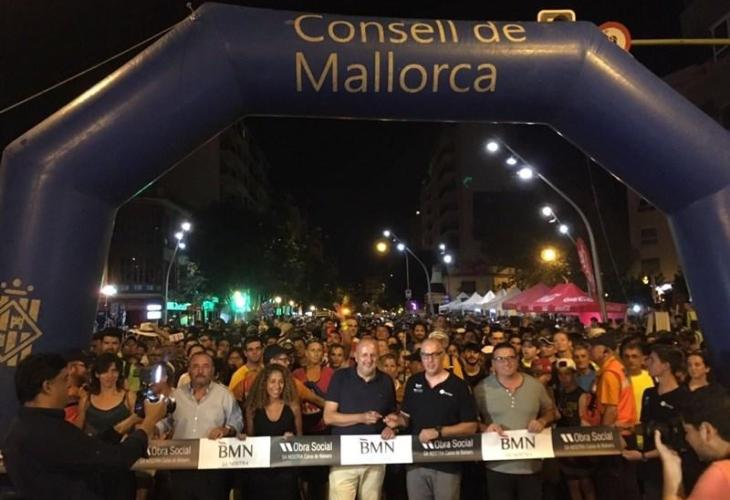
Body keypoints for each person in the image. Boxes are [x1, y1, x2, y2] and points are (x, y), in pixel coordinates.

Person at [3, 353, 166, 500]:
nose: (69, 386)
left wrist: (128, 423)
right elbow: (115, 459)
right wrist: (148, 422)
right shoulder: (49, 431)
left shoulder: (24, 427)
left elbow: (85, 448)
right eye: (64, 379)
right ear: (47, 386)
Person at [384, 338, 478, 500]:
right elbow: (406, 417)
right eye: (425, 355)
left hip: (447, 463)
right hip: (416, 461)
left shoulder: (459, 386)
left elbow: (471, 426)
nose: (430, 360)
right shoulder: (413, 382)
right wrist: (396, 422)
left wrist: (438, 432)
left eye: (435, 355)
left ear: (443, 355)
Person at [474, 342, 556, 500]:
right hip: (497, 466)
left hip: (531, 465)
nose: (506, 363)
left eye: (511, 358)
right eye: (500, 359)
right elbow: (472, 421)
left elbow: (551, 412)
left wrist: (542, 421)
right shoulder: (481, 389)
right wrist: (485, 428)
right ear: (493, 363)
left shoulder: (535, 385)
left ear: (518, 360)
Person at [158, 351, 243, 500]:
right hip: (181, 466)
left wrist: (226, 429)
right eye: (196, 366)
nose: (200, 371)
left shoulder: (224, 395)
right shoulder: (176, 396)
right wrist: (155, 429)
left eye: (205, 366)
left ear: (213, 370)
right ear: (189, 370)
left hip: (213, 468)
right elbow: (165, 421)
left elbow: (237, 422)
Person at [324, 338, 397, 500]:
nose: (368, 360)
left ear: (378, 357)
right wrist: (361, 418)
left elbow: (392, 415)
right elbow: (328, 417)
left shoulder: (386, 381)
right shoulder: (340, 377)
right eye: (364, 355)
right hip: (344, 458)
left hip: (375, 457)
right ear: (355, 357)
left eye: (373, 355)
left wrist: (391, 426)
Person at [588, 332, 640, 500]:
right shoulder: (618, 368)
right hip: (626, 430)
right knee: (627, 484)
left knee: (612, 485)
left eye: (594, 347)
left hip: (616, 434)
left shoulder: (609, 373)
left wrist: (603, 437)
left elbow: (611, 408)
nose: (590, 350)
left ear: (606, 351)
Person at [656, 386, 730, 499]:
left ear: (706, 430)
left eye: (687, 431)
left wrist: (671, 472)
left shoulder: (720, 475)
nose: (686, 438)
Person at [244, 364, 302, 499]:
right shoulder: (252, 408)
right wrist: (242, 439)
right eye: (273, 381)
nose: (277, 386)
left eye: (281, 382)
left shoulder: (293, 407)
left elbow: (301, 439)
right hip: (259, 473)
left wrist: (293, 439)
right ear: (264, 383)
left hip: (286, 472)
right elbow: (251, 439)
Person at [554, 358, 596, 500]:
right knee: (572, 483)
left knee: (585, 482)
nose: (564, 378)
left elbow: (583, 420)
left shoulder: (582, 394)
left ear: (574, 374)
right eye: (560, 374)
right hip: (563, 440)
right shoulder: (560, 394)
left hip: (578, 441)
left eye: (567, 374)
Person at [75, 352, 139, 440]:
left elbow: (137, 425)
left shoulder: (129, 397)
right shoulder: (86, 399)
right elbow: (77, 430)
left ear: (119, 373)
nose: (109, 376)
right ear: (97, 374)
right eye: (104, 371)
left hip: (122, 446)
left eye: (114, 371)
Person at [621, 339, 654, 419]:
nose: (630, 360)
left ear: (642, 359)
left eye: (634, 356)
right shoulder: (617, 378)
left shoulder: (652, 377)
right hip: (623, 424)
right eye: (627, 356)